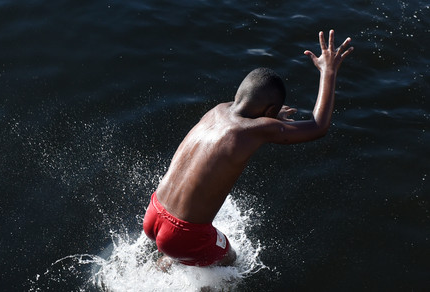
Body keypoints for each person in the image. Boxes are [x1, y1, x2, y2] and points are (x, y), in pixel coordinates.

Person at [143, 30, 354, 268]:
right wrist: (328, 71)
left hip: (154, 213)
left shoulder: (217, 110)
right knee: (232, 261)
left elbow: (249, 117)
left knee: (184, 250)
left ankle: (161, 267)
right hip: (181, 234)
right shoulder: (254, 130)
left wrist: (273, 116)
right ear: (267, 113)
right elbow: (318, 126)